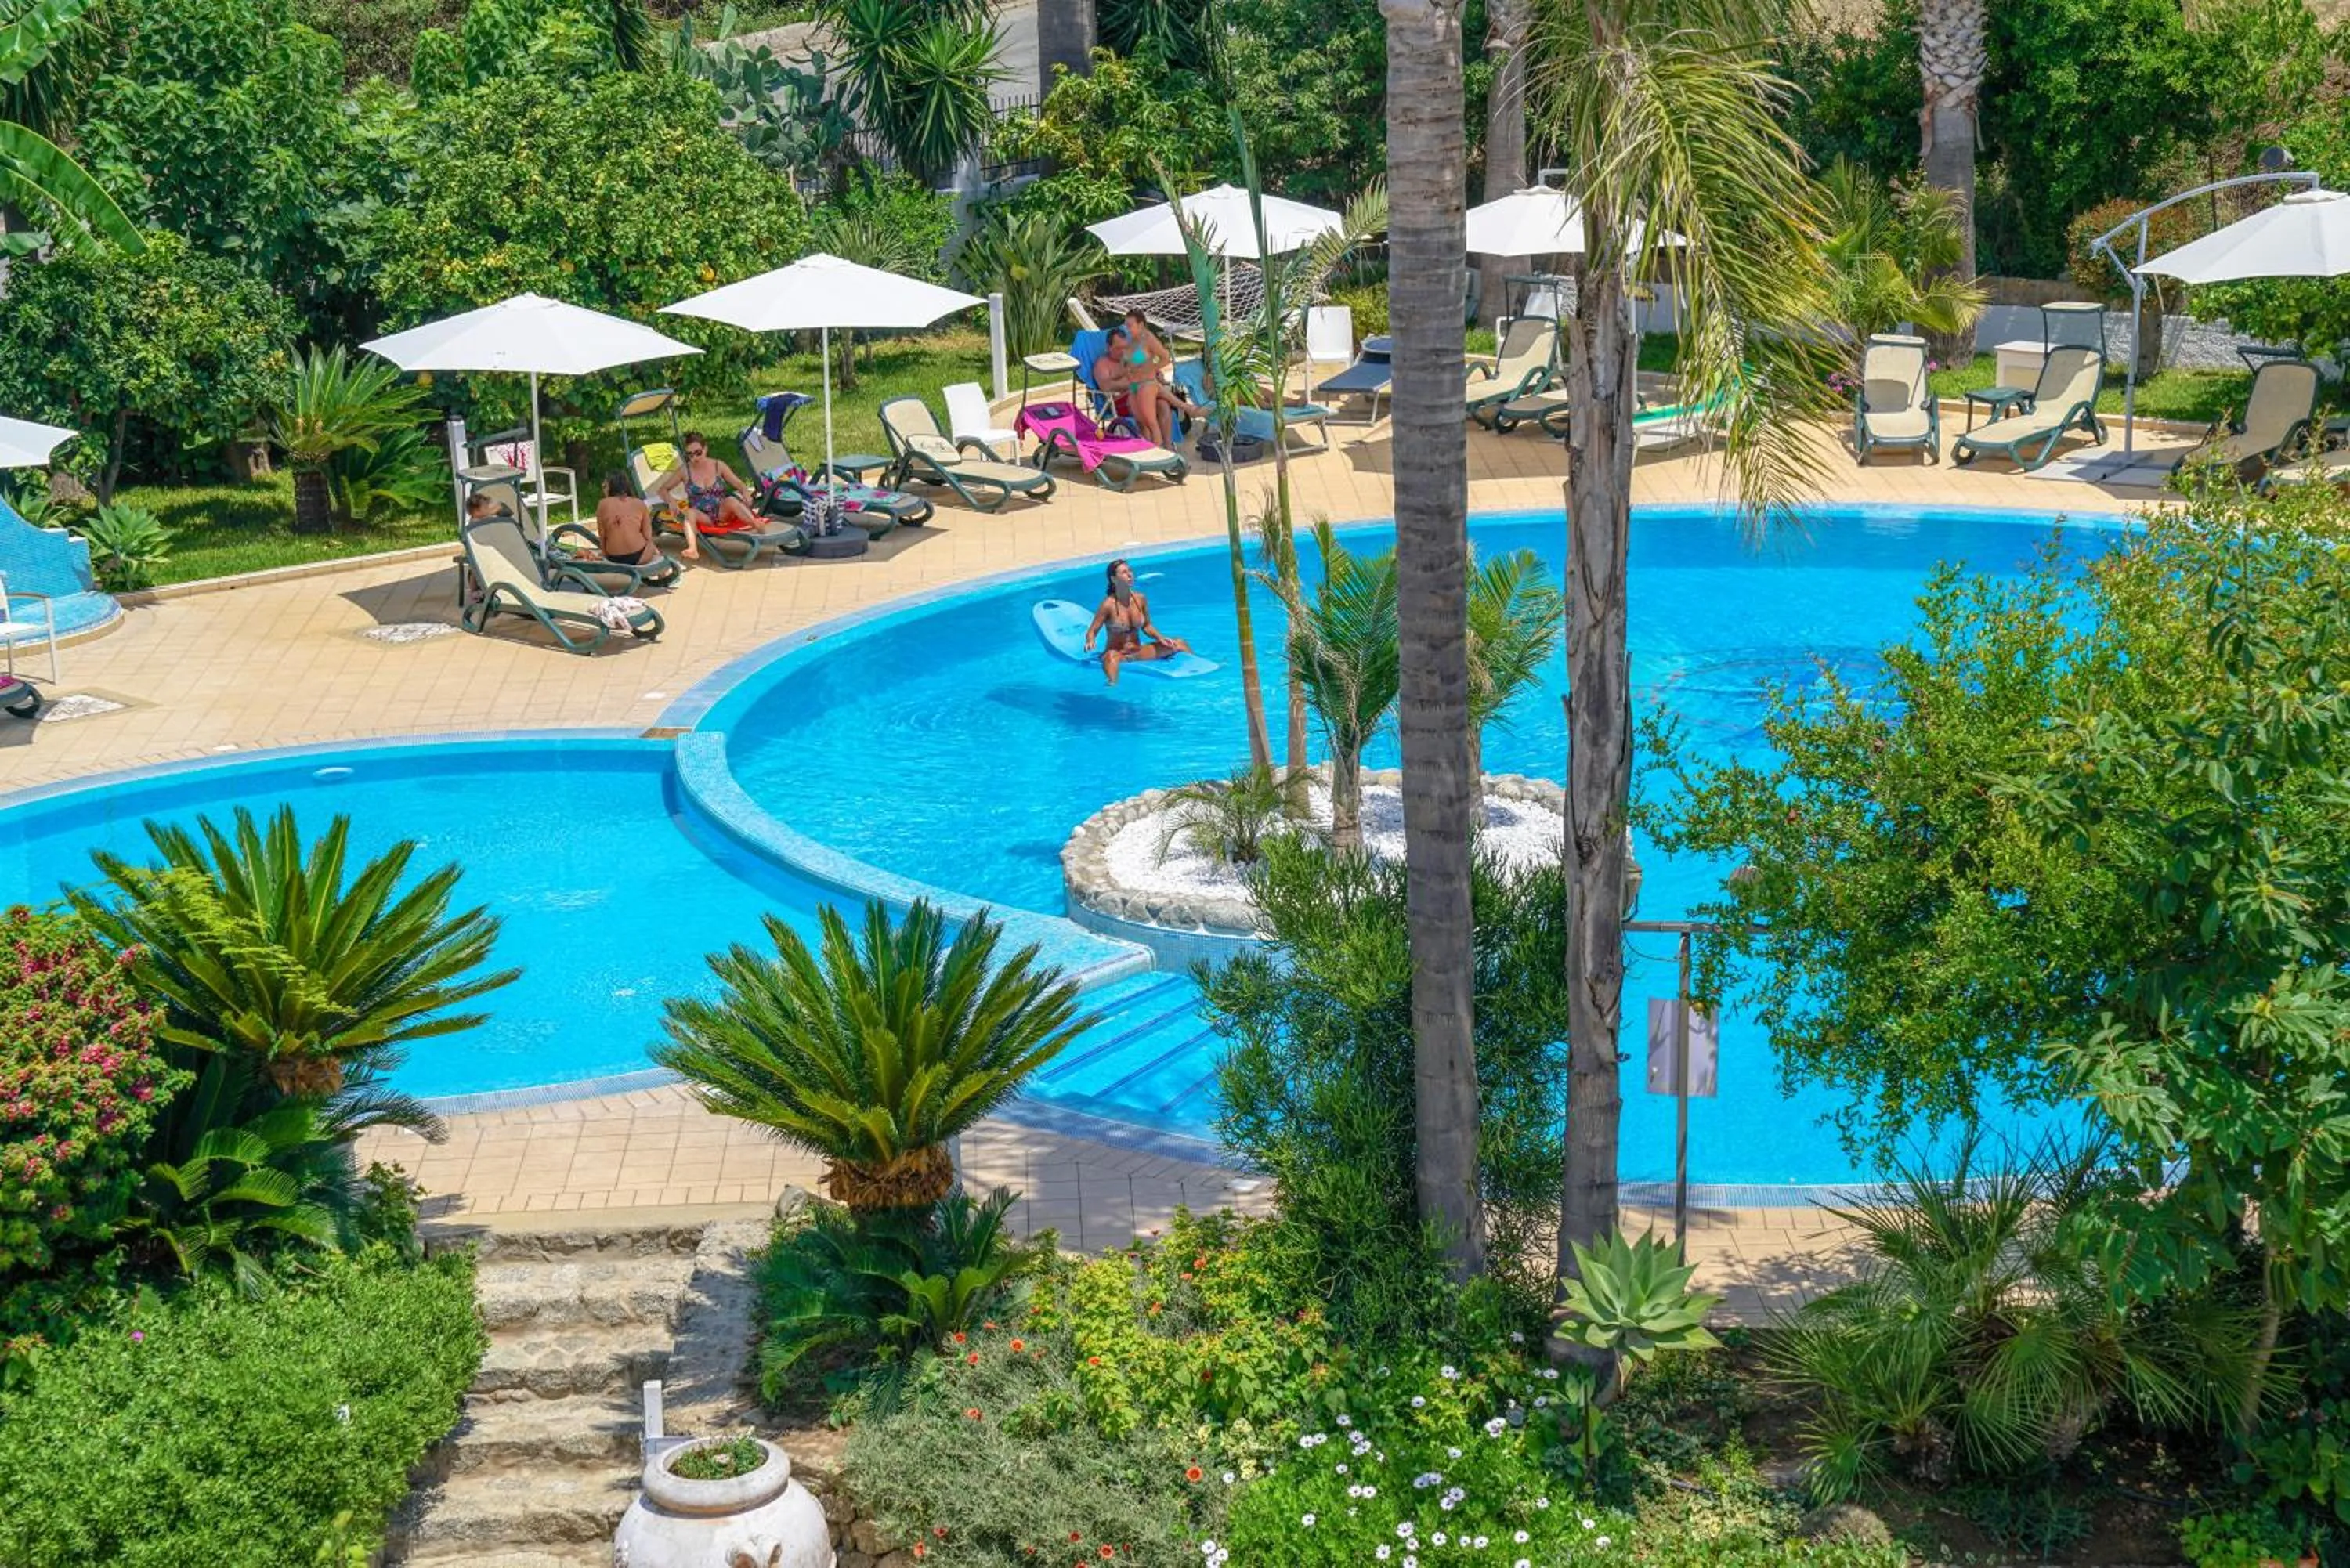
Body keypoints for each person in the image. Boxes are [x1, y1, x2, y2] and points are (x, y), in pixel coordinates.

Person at [1083, 557, 1190, 685]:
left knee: (1179, 643)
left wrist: (1160, 638)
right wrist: (1090, 641)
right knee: (1111, 657)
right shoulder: (1108, 605)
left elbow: (1147, 626)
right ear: (1114, 579)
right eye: (1124, 572)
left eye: (1130, 571)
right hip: (1119, 655)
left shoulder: (1140, 599)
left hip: (1139, 652)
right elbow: (1092, 631)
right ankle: (1112, 685)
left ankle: (1196, 669)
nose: (1130, 575)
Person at [1093, 323, 1187, 449]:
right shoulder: (1102, 364)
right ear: (1108, 347)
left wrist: (1157, 375)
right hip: (1120, 401)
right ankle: (1150, 446)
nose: (1122, 352)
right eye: (1118, 348)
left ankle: (1167, 446)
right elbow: (1107, 387)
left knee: (1163, 405)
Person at [653, 431, 763, 538]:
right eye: (690, 455)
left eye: (698, 453)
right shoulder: (685, 471)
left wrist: (745, 493)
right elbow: (663, 489)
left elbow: (739, 483)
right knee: (690, 513)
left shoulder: (718, 466)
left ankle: (756, 524)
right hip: (702, 516)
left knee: (731, 501)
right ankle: (693, 548)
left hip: (721, 512)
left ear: (705, 449)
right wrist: (671, 501)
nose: (694, 458)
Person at [596, 470, 691, 564]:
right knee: (651, 544)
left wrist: (605, 554)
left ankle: (662, 568)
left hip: (614, 558)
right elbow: (647, 535)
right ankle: (663, 571)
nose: (603, 489)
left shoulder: (602, 504)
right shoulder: (639, 504)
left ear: (612, 487)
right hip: (639, 557)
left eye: (604, 486)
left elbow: (602, 534)